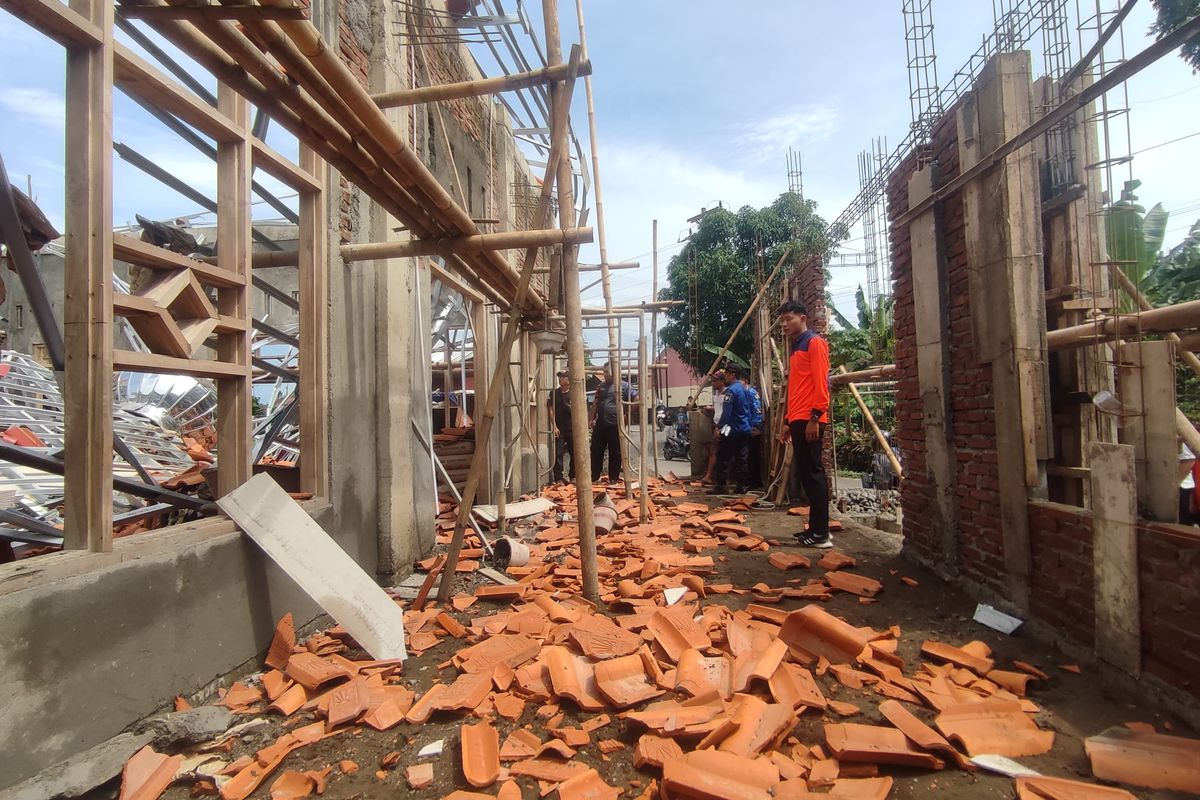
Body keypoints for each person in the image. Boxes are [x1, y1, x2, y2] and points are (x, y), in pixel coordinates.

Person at [777, 300, 833, 548]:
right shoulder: (796, 346)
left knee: (813, 474)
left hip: (811, 420)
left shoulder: (814, 342)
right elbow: (796, 388)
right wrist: (788, 421)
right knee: (806, 475)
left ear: (803, 317)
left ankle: (821, 534)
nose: (785, 325)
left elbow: (823, 384)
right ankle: (816, 530)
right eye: (782, 321)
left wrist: (814, 417)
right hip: (798, 419)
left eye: (789, 319)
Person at [589, 365, 636, 482]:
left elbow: (636, 399)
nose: (604, 374)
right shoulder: (601, 386)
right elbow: (595, 402)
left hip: (615, 424)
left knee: (615, 452)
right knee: (595, 450)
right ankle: (594, 477)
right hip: (601, 423)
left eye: (607, 372)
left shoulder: (625, 386)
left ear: (615, 371)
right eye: (604, 371)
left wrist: (626, 414)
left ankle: (613, 479)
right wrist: (591, 418)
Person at [710, 364, 751, 495]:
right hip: (745, 428)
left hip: (731, 429)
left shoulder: (731, 391)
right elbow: (749, 409)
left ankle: (721, 486)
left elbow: (726, 413)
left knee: (722, 457)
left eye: (727, 373)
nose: (725, 376)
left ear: (732, 374)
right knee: (742, 458)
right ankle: (741, 486)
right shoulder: (745, 389)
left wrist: (718, 428)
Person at [546, 371, 574, 483]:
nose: (560, 379)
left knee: (574, 452)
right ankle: (558, 478)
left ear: (568, 380)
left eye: (563, 377)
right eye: (559, 377)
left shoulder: (573, 393)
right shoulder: (554, 393)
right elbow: (550, 409)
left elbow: (578, 410)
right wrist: (554, 426)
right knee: (558, 452)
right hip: (559, 428)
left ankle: (573, 476)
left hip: (572, 428)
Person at [702, 373, 727, 484]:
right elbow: (718, 408)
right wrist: (710, 408)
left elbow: (726, 411)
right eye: (712, 381)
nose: (713, 383)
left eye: (716, 381)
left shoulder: (728, 393)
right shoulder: (715, 394)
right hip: (717, 424)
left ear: (722, 381)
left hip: (725, 426)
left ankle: (715, 477)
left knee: (721, 451)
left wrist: (720, 427)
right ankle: (710, 475)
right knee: (714, 451)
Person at [742, 376, 764, 489]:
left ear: (745, 382)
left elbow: (757, 410)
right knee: (748, 456)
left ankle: (754, 482)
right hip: (746, 427)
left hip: (752, 428)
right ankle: (750, 481)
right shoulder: (745, 393)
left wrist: (756, 427)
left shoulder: (751, 393)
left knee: (751, 456)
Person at [1181, 442, 1199, 525]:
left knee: (1183, 520)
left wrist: (1174, 484)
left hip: (1183, 485)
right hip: (1185, 484)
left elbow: (1189, 461)